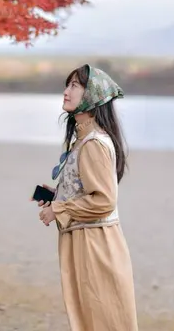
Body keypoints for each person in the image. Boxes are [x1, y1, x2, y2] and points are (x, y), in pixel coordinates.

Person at [38, 64, 138, 331]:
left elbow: (104, 200)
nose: (66, 91)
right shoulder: (85, 140)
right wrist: (56, 195)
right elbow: (88, 190)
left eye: (74, 86)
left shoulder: (94, 143)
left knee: (102, 320)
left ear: (91, 95)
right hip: (86, 240)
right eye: (67, 84)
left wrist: (58, 209)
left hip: (96, 244)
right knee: (89, 319)